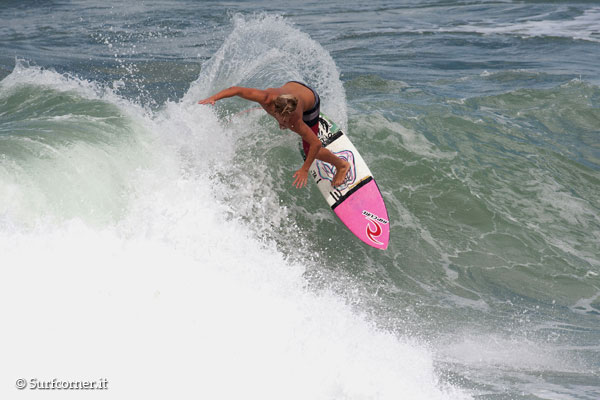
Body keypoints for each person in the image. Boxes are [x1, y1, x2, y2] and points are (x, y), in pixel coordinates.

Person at [198, 81, 350, 188]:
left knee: (309, 149)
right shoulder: (265, 98)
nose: (286, 121)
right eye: (284, 118)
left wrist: (305, 169)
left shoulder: (296, 121)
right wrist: (213, 98)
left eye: (288, 118)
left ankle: (342, 165)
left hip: (310, 100)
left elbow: (316, 144)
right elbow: (236, 90)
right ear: (274, 108)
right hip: (293, 86)